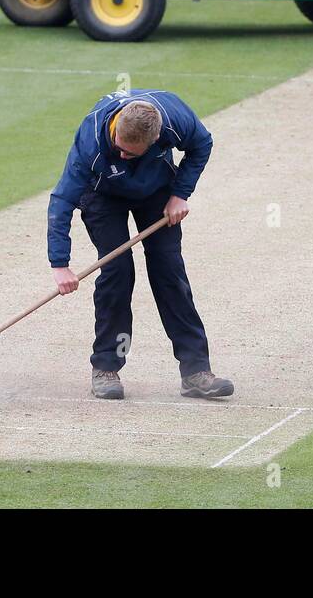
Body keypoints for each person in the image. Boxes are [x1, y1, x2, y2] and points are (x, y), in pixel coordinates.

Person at [47, 89, 234, 400]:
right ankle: (106, 368)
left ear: (156, 138)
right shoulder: (91, 142)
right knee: (117, 272)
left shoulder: (175, 118)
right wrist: (60, 264)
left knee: (169, 270)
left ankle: (196, 371)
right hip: (102, 195)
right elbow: (62, 200)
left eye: (130, 153)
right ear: (116, 128)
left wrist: (180, 194)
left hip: (156, 190)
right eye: (119, 149)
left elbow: (202, 144)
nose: (122, 155)